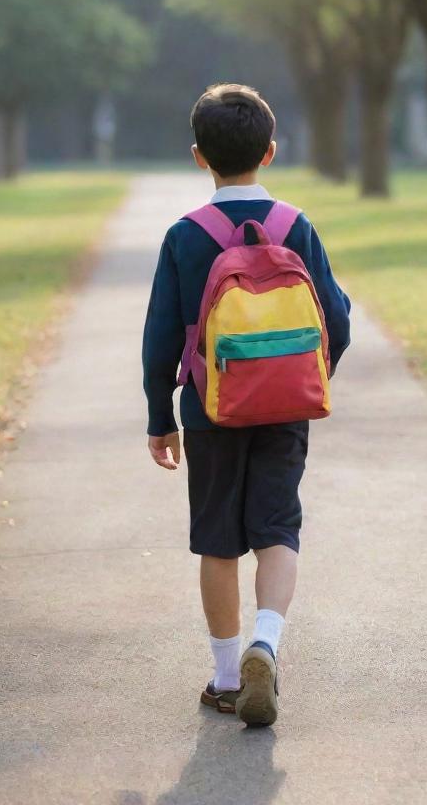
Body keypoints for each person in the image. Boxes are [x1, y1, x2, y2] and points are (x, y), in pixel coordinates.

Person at [142, 83, 351, 726]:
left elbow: (159, 337)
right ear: (271, 150)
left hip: (211, 408)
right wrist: (306, 381)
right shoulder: (295, 225)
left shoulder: (185, 235)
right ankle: (268, 640)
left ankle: (229, 676)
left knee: (218, 540)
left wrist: (161, 418)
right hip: (285, 410)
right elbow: (335, 321)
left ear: (199, 156)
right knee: (277, 528)